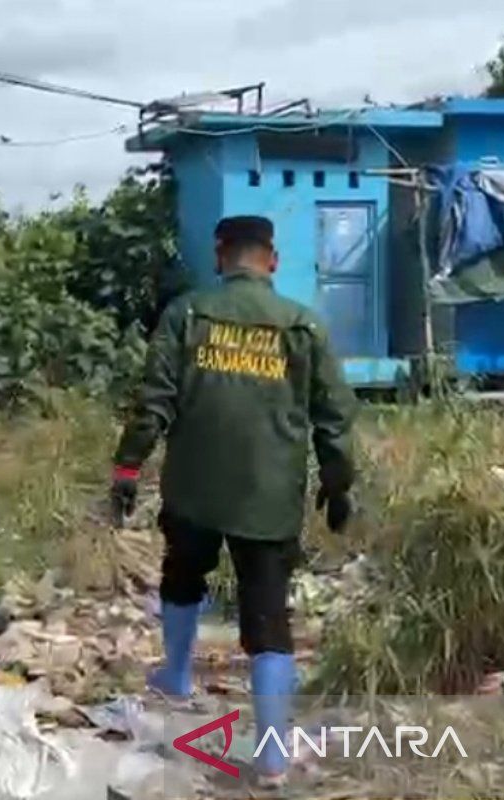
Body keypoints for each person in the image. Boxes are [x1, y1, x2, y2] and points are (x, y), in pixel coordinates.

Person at [110, 215, 356, 786]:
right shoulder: (303, 326)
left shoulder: (187, 315)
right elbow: (336, 419)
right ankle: (271, 759)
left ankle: (175, 675)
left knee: (182, 576)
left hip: (194, 488)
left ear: (221, 257)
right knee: (269, 618)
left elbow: (154, 401)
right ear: (271, 260)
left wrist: (127, 468)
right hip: (268, 499)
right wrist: (338, 485)